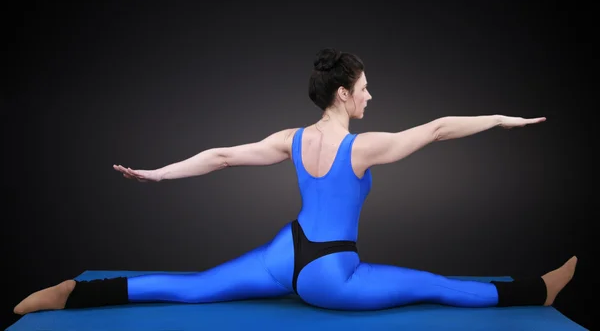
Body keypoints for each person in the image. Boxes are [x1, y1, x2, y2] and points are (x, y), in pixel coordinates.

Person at [14, 48, 576, 315]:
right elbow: (438, 129)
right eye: (364, 89)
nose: (369, 97)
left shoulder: (292, 139)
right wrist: (505, 120)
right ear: (343, 94)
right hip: (331, 275)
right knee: (434, 285)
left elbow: (221, 156)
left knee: (192, 286)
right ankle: (536, 292)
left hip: (284, 254)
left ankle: (72, 295)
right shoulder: (363, 147)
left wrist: (158, 174)